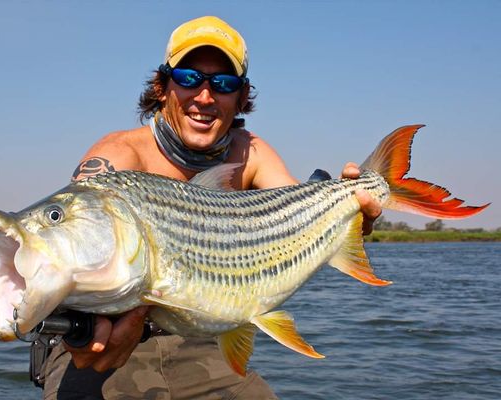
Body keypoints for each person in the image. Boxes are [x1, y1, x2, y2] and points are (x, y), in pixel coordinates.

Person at [41, 16, 381, 400]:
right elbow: (71, 244)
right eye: (189, 77)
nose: (205, 96)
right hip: (106, 340)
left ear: (241, 96)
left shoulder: (250, 150)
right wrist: (85, 327)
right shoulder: (118, 154)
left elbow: (294, 217)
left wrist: (344, 211)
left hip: (201, 340)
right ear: (163, 86)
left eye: (223, 84)